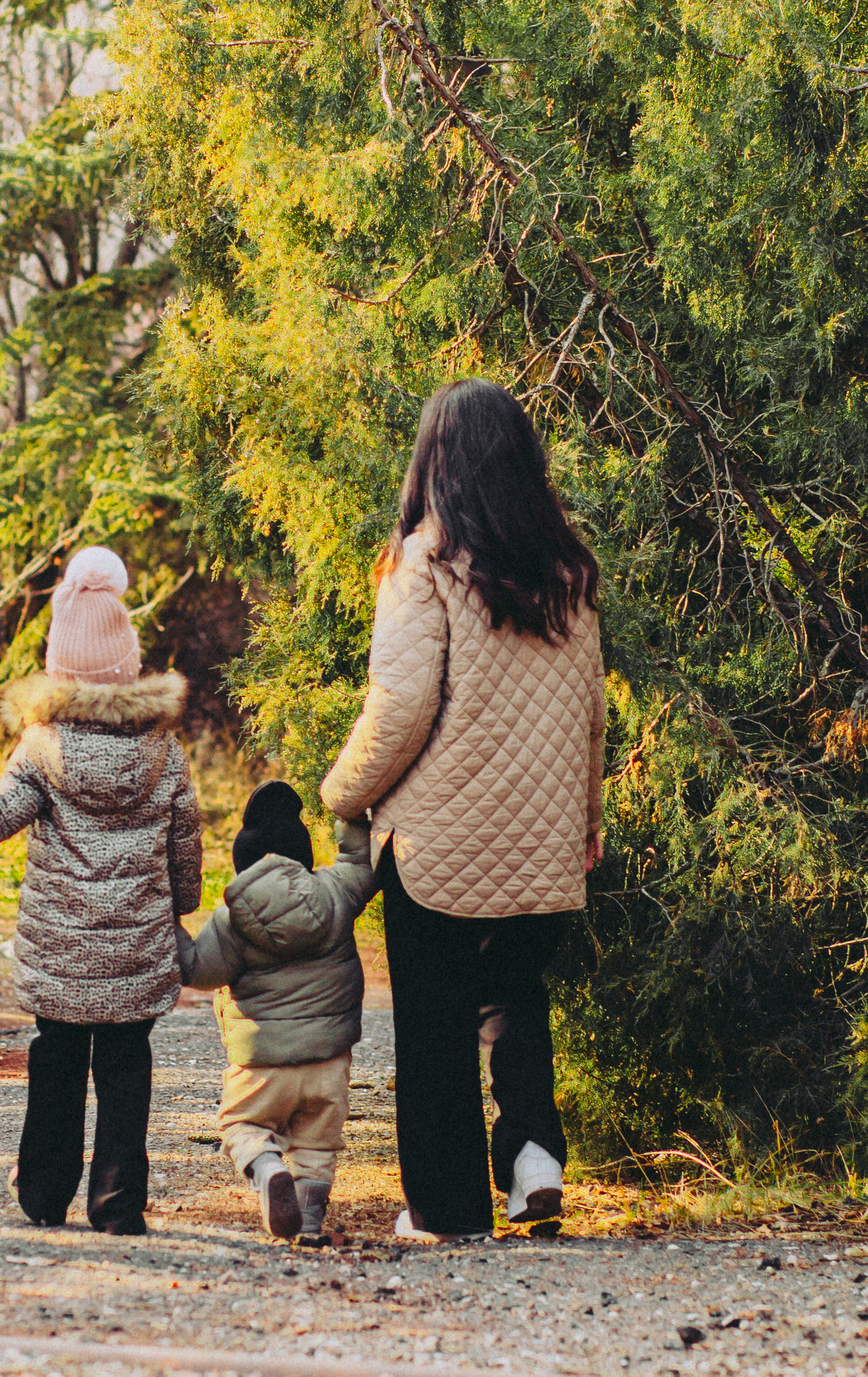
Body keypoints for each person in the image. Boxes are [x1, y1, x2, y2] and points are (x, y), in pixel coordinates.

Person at [320, 379, 606, 1242]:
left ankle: (447, 1212)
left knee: (436, 1024)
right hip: (549, 840)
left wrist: (341, 790)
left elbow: (399, 710)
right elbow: (593, 710)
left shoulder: (426, 566)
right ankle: (532, 1159)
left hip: (440, 842)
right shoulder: (569, 571)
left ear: (434, 459)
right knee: (517, 993)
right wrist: (586, 821)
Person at [0, 546, 202, 1236]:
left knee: (57, 1064)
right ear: (126, 662)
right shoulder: (166, 752)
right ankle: (118, 1202)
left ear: (59, 667)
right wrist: (178, 908)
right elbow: (185, 844)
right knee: (127, 1069)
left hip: (62, 954)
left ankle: (43, 1190)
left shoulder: (42, 748)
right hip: (134, 950)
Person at [174, 781, 378, 1248]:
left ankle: (266, 1170)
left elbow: (193, 969)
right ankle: (307, 1221)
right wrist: (348, 813)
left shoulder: (232, 923)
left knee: (242, 1126)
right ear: (301, 856)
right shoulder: (334, 893)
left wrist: (170, 918)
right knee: (316, 1146)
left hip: (261, 1064)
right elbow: (362, 864)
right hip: (329, 1061)